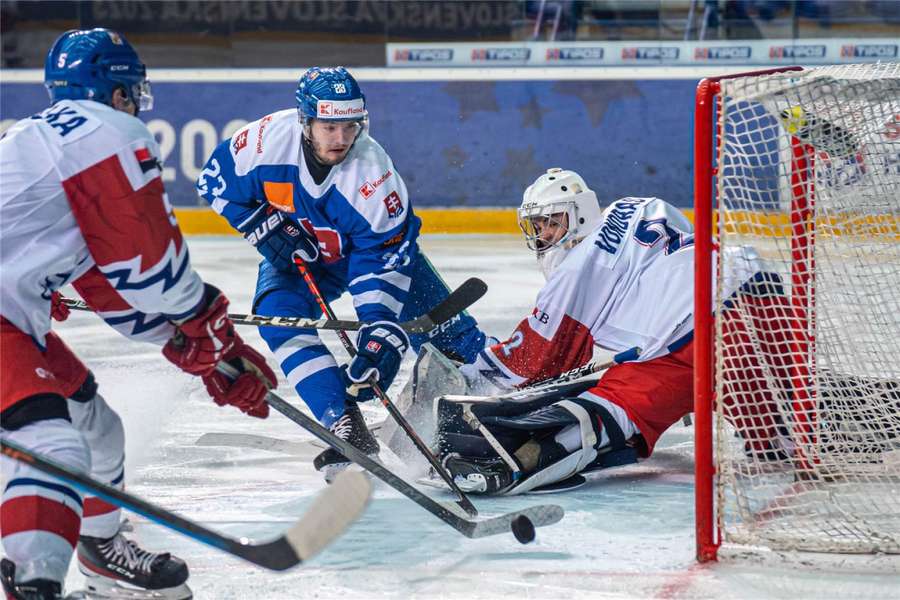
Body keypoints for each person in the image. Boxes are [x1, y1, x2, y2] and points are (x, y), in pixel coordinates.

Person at [0, 29, 277, 599]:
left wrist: (189, 346)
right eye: (131, 90)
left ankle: (101, 551)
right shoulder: (105, 131)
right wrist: (204, 320)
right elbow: (145, 257)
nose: (134, 101)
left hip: (12, 316)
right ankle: (34, 584)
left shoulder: (43, 141)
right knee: (55, 446)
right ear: (118, 89)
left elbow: (104, 281)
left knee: (96, 430)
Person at [196, 66, 488, 481]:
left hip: (368, 257)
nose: (340, 138)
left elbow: (381, 260)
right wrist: (261, 226)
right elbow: (214, 181)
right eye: (329, 126)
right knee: (279, 318)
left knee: (443, 338)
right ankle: (343, 420)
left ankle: (492, 372)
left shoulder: (373, 177)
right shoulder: (263, 143)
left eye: (349, 126)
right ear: (305, 120)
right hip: (303, 255)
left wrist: (378, 327)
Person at [436, 168, 794, 495]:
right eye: (538, 226)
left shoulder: (579, 266)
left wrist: (474, 372)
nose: (544, 234)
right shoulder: (639, 206)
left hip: (689, 337)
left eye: (552, 222)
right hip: (761, 294)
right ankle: (823, 412)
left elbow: (538, 358)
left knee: (612, 403)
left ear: (579, 214)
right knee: (779, 437)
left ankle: (507, 462)